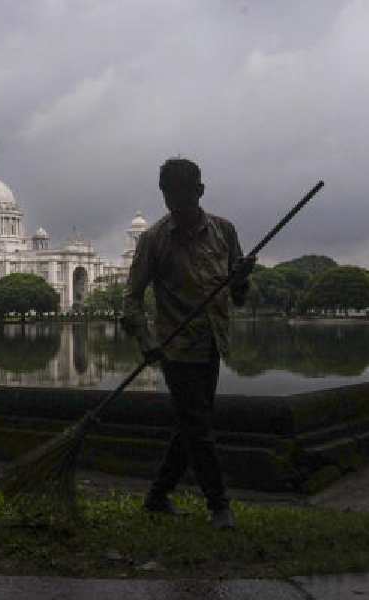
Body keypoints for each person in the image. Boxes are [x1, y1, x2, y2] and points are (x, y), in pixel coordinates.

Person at [122, 157, 255, 530]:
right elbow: (131, 300)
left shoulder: (225, 232)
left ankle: (157, 496)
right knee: (198, 424)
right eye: (168, 196)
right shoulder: (153, 240)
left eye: (182, 195)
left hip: (213, 340)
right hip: (175, 347)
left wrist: (242, 278)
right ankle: (219, 505)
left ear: (199, 191)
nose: (175, 204)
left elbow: (239, 295)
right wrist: (146, 339)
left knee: (192, 423)